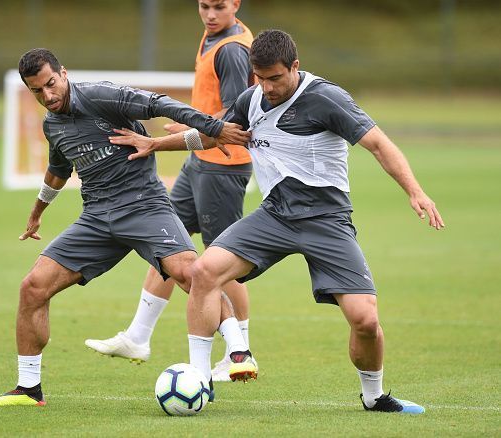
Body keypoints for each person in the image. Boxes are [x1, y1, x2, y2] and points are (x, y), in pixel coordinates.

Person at [108, 29, 445, 413]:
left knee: (365, 320)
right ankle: (200, 378)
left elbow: (379, 144)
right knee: (204, 272)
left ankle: (374, 396)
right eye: (260, 77)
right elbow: (213, 136)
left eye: (275, 78)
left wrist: (415, 191)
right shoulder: (251, 99)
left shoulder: (327, 98)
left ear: (295, 67)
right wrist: (155, 143)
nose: (266, 87)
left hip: (327, 220)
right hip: (275, 216)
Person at [0, 48, 251, 407]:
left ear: (63, 72)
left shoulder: (100, 95)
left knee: (195, 274)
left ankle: (239, 351)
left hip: (144, 206)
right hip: (97, 218)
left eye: (50, 84)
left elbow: (160, 103)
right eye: (37, 92)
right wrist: (37, 210)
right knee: (33, 287)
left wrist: (213, 127)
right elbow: (59, 168)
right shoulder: (52, 124)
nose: (48, 96)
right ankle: (29, 389)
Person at [85, 0, 257, 382]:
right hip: (200, 162)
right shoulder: (215, 36)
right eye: (203, 6)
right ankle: (137, 336)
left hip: (222, 167)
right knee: (167, 244)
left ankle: (239, 353)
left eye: (219, 6)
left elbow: (234, 119)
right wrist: (193, 134)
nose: (210, 14)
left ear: (236, 4)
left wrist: (186, 134)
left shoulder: (231, 50)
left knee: (223, 264)